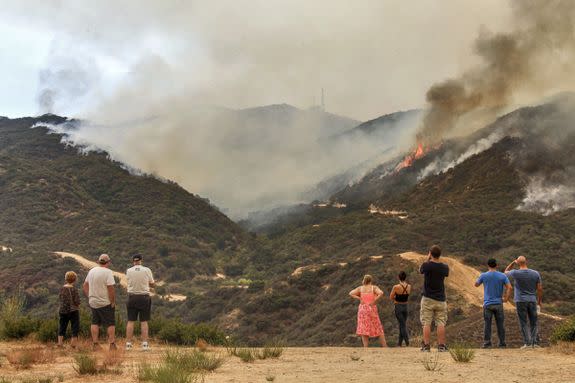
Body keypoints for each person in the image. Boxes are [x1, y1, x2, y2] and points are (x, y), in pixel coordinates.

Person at [505, 256, 543, 348]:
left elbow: (505, 272)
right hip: (532, 300)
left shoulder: (515, 273)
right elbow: (540, 289)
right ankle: (535, 343)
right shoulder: (535, 273)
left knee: (523, 322)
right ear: (526, 262)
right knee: (534, 322)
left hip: (520, 300)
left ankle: (528, 343)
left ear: (518, 263)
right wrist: (539, 301)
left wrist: (513, 263)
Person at [475, 258, 512, 348]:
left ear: (488, 265)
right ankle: (502, 344)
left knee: (487, 324)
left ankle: (487, 344)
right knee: (500, 324)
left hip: (487, 304)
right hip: (498, 303)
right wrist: (506, 299)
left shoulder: (484, 275)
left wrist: (481, 279)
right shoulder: (502, 276)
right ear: (496, 265)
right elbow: (510, 287)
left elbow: (476, 284)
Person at [83, 253, 117, 350]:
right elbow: (111, 288)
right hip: (105, 302)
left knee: (95, 322)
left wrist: (89, 296)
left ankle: (95, 344)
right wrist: (113, 301)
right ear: (108, 262)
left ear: (98, 262)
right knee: (110, 323)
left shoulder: (92, 271)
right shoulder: (108, 272)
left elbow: (85, 285)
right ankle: (112, 344)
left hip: (93, 301)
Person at [419, 245, 449, 352]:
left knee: (426, 322)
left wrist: (428, 259)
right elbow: (446, 274)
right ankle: (441, 346)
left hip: (427, 298)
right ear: (440, 255)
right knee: (441, 322)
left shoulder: (427, 265)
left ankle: (426, 346)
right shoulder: (445, 267)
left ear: (430, 254)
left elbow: (421, 270)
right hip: (441, 298)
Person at [125, 254, 155, 351]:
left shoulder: (128, 271)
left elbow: (129, 281)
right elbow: (152, 284)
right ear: (141, 260)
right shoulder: (147, 270)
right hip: (144, 297)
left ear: (133, 261)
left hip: (132, 297)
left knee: (130, 321)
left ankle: (128, 344)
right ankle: (145, 345)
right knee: (144, 321)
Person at [349, 275, 387, 347]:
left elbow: (351, 293)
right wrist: (375, 300)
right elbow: (381, 293)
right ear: (371, 281)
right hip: (371, 308)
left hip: (362, 309)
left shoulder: (360, 288)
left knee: (364, 328)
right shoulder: (374, 288)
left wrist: (359, 298)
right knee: (378, 326)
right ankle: (384, 345)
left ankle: (365, 347)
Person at [58, 271, 81, 348]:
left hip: (62, 310)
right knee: (75, 327)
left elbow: (60, 298)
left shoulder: (61, 288)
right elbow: (77, 301)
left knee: (62, 326)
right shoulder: (74, 289)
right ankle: (73, 344)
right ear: (74, 279)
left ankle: (60, 343)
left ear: (66, 279)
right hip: (73, 311)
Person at [390, 271, 411, 347]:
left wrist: (396, 298)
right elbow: (406, 296)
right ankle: (399, 343)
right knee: (402, 324)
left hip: (398, 307)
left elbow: (391, 297)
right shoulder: (409, 286)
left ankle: (407, 342)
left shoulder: (396, 287)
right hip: (405, 306)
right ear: (405, 278)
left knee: (402, 325)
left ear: (398, 277)